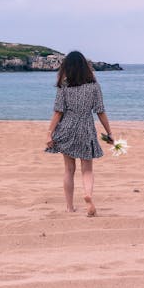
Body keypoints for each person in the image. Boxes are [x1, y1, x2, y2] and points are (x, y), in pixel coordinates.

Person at [45, 51, 113, 217]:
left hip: (67, 128)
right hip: (86, 128)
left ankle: (69, 207)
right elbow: (100, 111)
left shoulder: (64, 87)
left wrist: (49, 134)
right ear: (85, 67)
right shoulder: (94, 86)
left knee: (69, 169)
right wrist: (109, 133)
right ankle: (88, 194)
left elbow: (58, 112)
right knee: (87, 170)